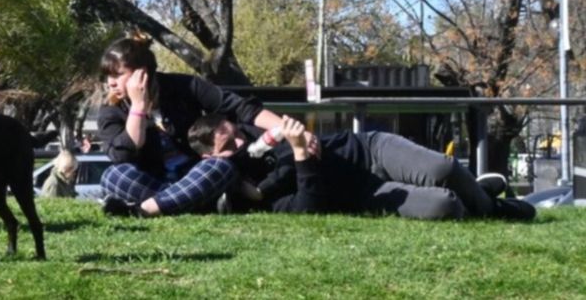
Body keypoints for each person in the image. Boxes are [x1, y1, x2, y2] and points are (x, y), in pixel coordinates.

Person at [188, 114, 535, 220]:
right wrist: (298, 156)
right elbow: (310, 208)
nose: (239, 144)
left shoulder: (260, 136)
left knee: (442, 168)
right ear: (209, 158)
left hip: (369, 151)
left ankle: (492, 205)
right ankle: (475, 193)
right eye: (227, 146)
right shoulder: (244, 189)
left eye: (236, 136)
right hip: (364, 193)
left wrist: (292, 141)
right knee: (444, 205)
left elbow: (300, 142)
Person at [95, 35, 290, 217]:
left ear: (142, 73)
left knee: (221, 166)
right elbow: (122, 156)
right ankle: (200, 203)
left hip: (198, 173)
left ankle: (143, 210)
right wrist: (137, 107)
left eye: (117, 75)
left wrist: (287, 128)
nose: (111, 83)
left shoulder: (184, 86)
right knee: (113, 176)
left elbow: (240, 107)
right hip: (153, 180)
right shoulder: (111, 110)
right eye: (107, 77)